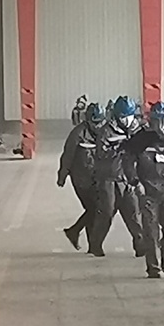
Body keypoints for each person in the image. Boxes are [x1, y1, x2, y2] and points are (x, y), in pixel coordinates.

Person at [123, 102, 164, 278]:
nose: (157, 125)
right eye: (154, 120)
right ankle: (153, 266)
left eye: (160, 120)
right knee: (150, 229)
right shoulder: (142, 138)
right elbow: (127, 159)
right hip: (148, 191)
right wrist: (134, 181)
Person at [88, 96, 145, 258]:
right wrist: (120, 148)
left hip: (128, 179)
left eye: (128, 116)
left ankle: (141, 247)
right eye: (122, 117)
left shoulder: (139, 131)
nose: (126, 120)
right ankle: (95, 245)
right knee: (106, 213)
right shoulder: (106, 131)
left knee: (134, 213)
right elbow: (101, 152)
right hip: (108, 179)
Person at [58, 102, 106, 250]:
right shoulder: (77, 134)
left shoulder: (106, 131)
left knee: (94, 210)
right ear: (87, 120)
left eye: (100, 122)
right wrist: (62, 175)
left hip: (97, 178)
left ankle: (90, 244)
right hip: (81, 179)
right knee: (94, 208)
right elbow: (67, 155)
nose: (97, 126)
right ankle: (79, 234)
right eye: (94, 123)